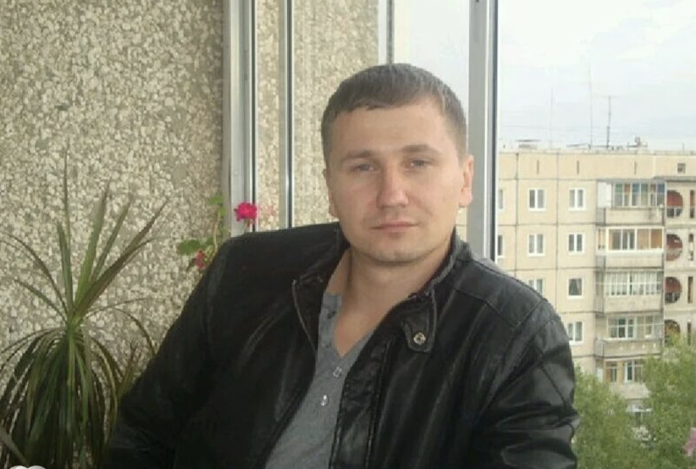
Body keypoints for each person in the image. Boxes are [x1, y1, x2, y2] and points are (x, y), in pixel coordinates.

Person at [104, 63, 579, 469]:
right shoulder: (244, 275)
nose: (392, 195)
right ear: (331, 188)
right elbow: (144, 434)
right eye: (363, 167)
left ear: (465, 180)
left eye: (417, 163)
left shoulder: (516, 337)